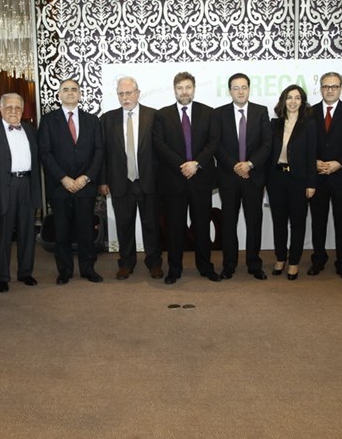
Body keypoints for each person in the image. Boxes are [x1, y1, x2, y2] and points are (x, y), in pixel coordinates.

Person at [153, 71, 221, 285]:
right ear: (174, 90)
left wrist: (196, 164)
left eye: (188, 87)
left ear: (194, 89)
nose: (184, 92)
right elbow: (159, 145)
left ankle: (206, 267)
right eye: (180, 88)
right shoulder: (162, 115)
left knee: (202, 226)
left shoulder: (208, 113)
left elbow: (213, 142)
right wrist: (182, 165)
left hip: (201, 179)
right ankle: (174, 270)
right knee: (174, 229)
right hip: (174, 180)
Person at [38, 79, 104, 285]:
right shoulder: (48, 120)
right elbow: (45, 153)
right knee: (62, 231)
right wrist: (63, 178)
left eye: (74, 89)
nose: (70, 93)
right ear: (59, 94)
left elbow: (99, 151)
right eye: (65, 89)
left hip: (86, 186)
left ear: (80, 94)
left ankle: (88, 269)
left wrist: (86, 177)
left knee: (86, 231)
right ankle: (64, 271)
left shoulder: (92, 120)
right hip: (60, 187)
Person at [99, 77, 164, 280]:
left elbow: (162, 150)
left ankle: (154, 263)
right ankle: (126, 263)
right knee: (124, 226)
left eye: (129, 93)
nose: (125, 97)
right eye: (121, 93)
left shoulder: (153, 116)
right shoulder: (107, 119)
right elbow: (102, 153)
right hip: (120, 183)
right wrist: (103, 180)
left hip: (149, 181)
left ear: (138, 93)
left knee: (152, 226)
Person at [0, 93, 41, 291]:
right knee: (3, 235)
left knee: (27, 233)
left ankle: (25, 272)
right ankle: (2, 277)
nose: (13, 111)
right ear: (0, 109)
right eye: (9, 107)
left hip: (27, 185)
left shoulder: (30, 130)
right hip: (2, 188)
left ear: (22, 110)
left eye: (17, 108)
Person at [214, 72, 272, 280]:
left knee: (254, 222)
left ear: (249, 89)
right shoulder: (219, 113)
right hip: (229, 178)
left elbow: (267, 144)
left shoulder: (260, 112)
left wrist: (249, 164)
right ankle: (229, 265)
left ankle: (254, 264)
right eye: (236, 88)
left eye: (244, 87)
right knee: (229, 223)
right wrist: (235, 166)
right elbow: (216, 145)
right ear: (230, 91)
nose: (240, 91)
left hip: (253, 177)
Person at [307, 72, 342, 281]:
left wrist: (338, 163)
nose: (329, 90)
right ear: (320, 88)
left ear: (341, 88)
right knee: (318, 222)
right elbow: (304, 142)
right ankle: (318, 259)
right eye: (326, 86)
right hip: (317, 177)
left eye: (334, 86)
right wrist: (314, 161)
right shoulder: (310, 112)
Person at [266, 85, 317, 281]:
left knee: (297, 223)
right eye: (289, 97)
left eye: (297, 98)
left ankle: (294, 261)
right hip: (276, 178)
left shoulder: (309, 125)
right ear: (283, 100)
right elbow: (268, 152)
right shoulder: (274, 124)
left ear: (302, 102)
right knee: (279, 222)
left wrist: (311, 183)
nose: (293, 101)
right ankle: (280, 258)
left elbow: (311, 155)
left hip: (299, 181)